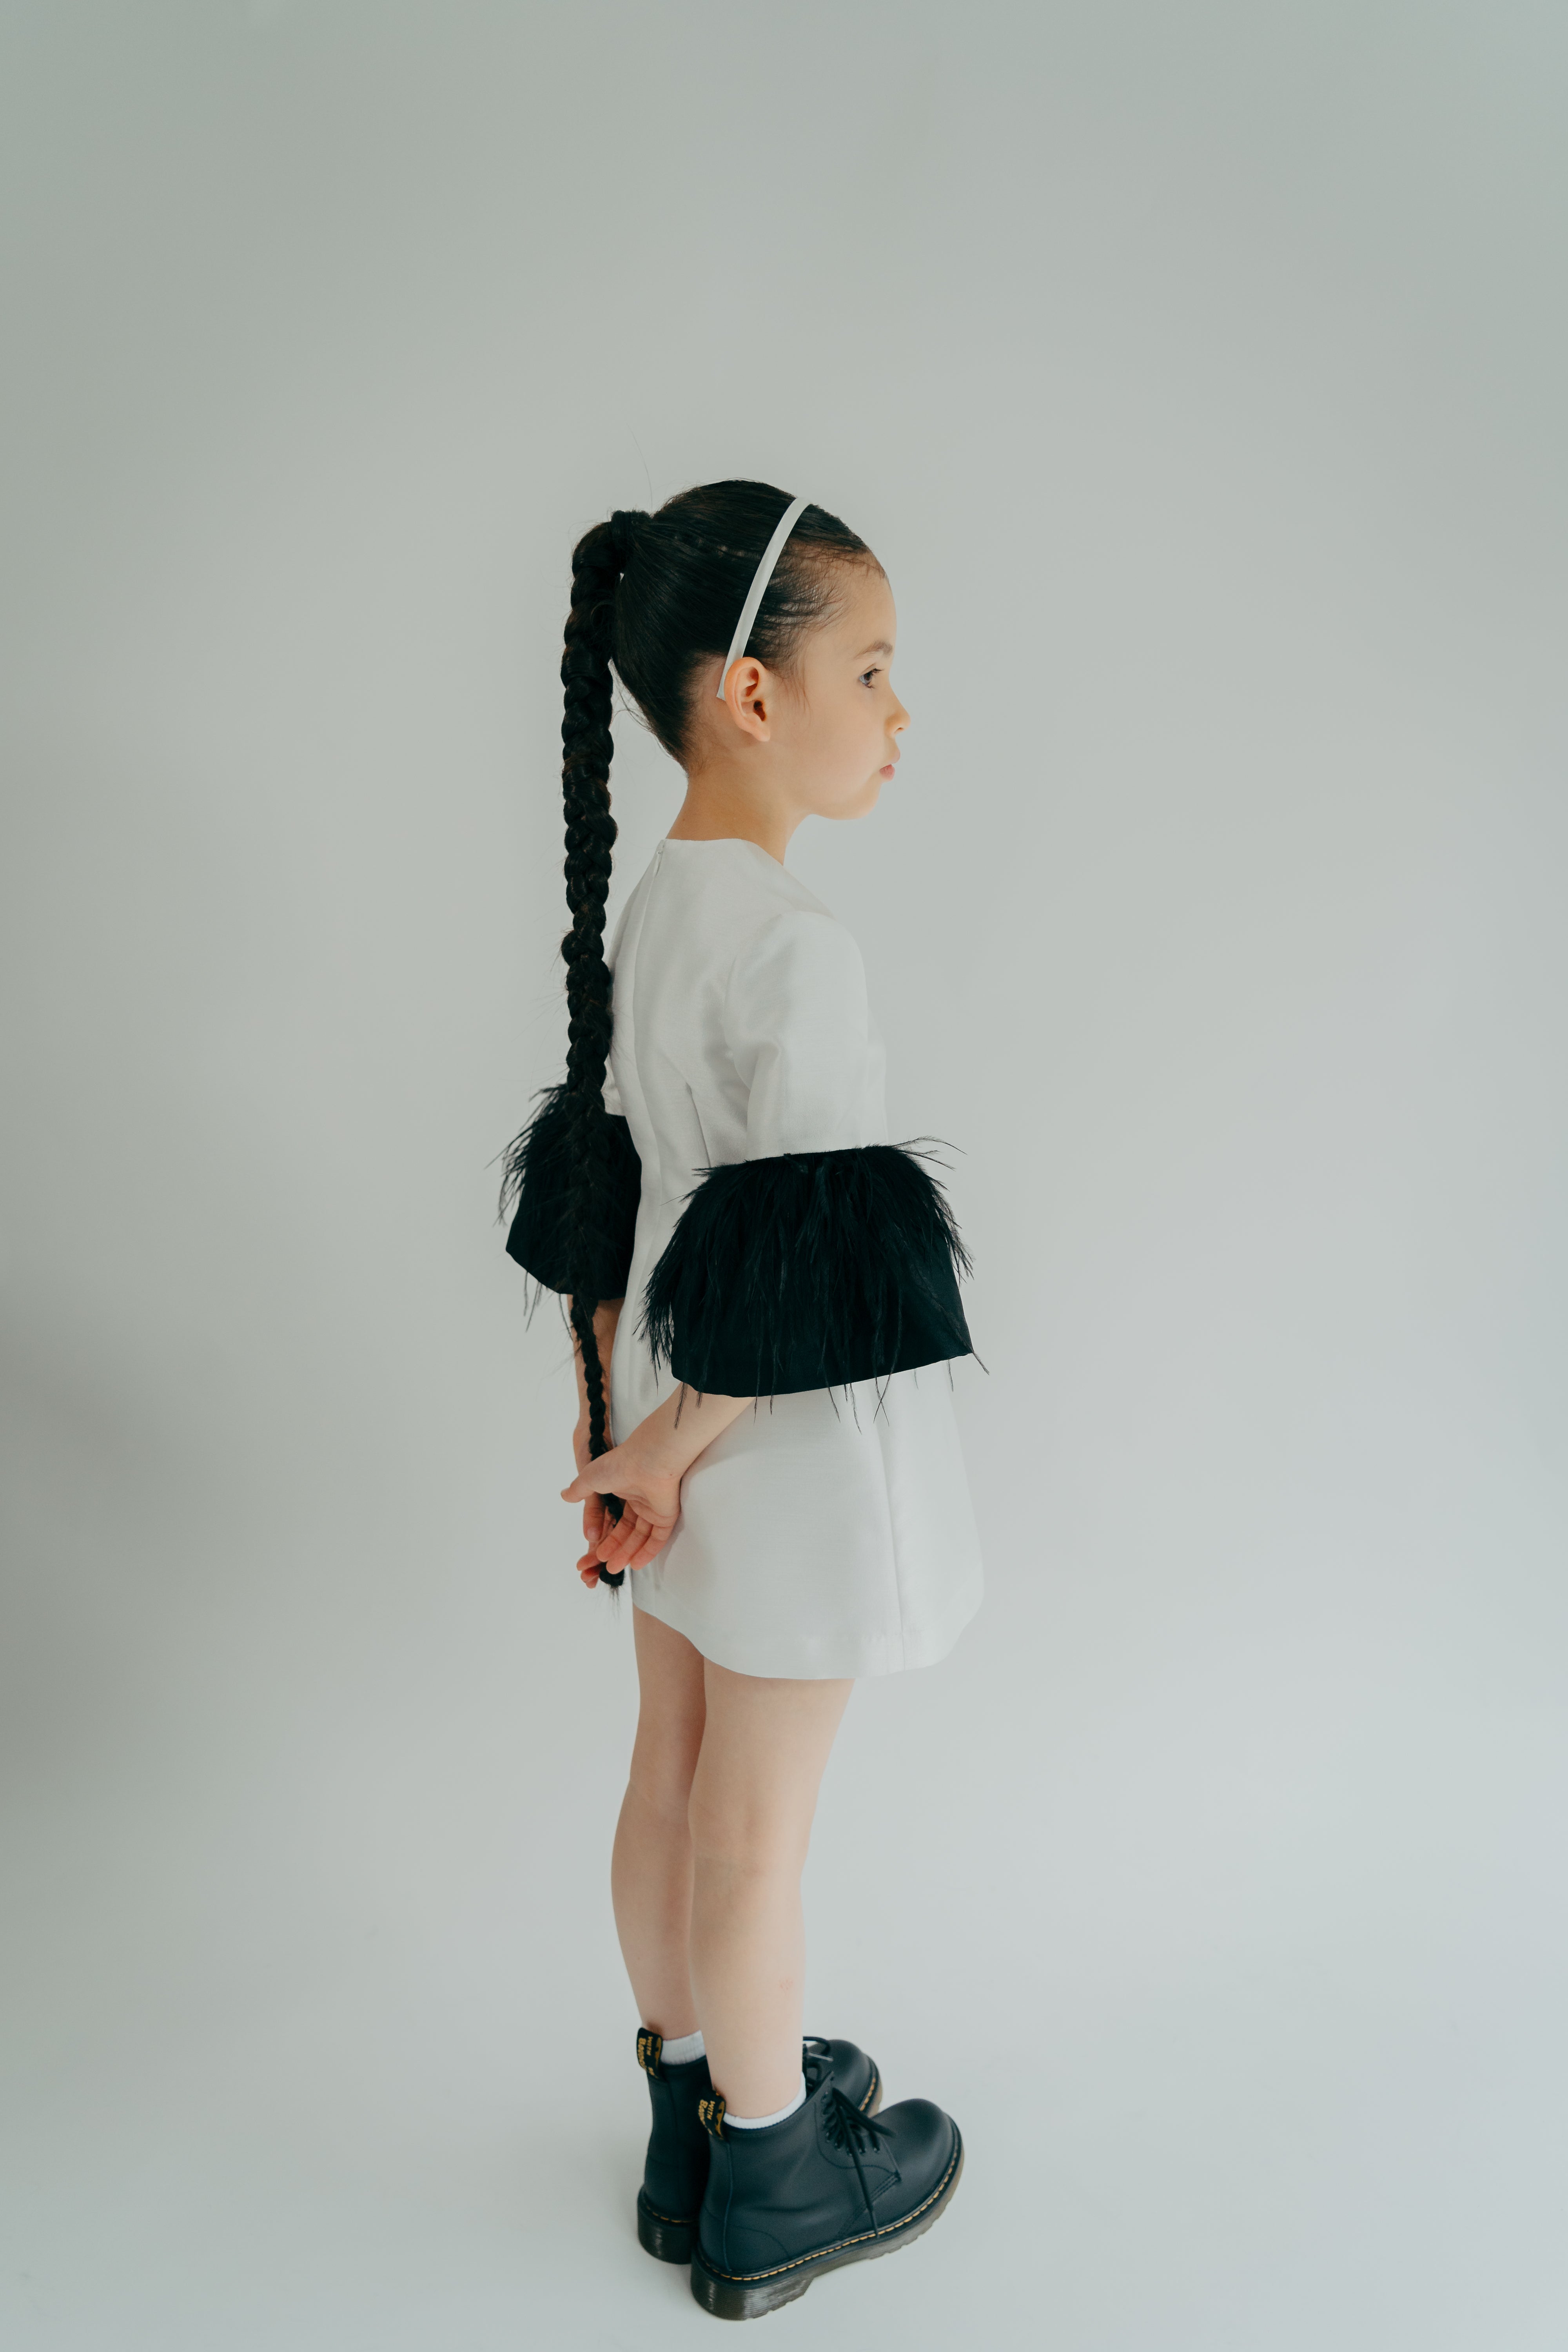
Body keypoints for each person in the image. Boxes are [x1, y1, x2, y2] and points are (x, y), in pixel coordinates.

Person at [502, 482, 983, 2319]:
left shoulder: (660, 911)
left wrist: (609, 1426)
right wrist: (670, 1443)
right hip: (755, 1448)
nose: (897, 710)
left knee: (673, 1780)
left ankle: (685, 2114)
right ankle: (779, 2162)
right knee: (755, 1827)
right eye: (870, 667)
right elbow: (808, 1273)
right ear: (753, 699)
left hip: (668, 1433)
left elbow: (616, 1193)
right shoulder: (796, 947)